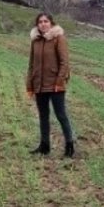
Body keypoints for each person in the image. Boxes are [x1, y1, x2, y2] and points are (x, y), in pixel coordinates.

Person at [25, 12, 75, 158]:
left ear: (51, 23)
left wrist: (59, 82)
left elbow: (64, 63)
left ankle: (69, 146)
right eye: (40, 22)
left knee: (61, 115)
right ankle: (44, 146)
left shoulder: (58, 39)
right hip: (39, 85)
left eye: (46, 21)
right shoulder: (35, 41)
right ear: (37, 25)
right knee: (43, 116)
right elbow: (31, 64)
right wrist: (30, 85)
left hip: (55, 85)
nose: (43, 24)